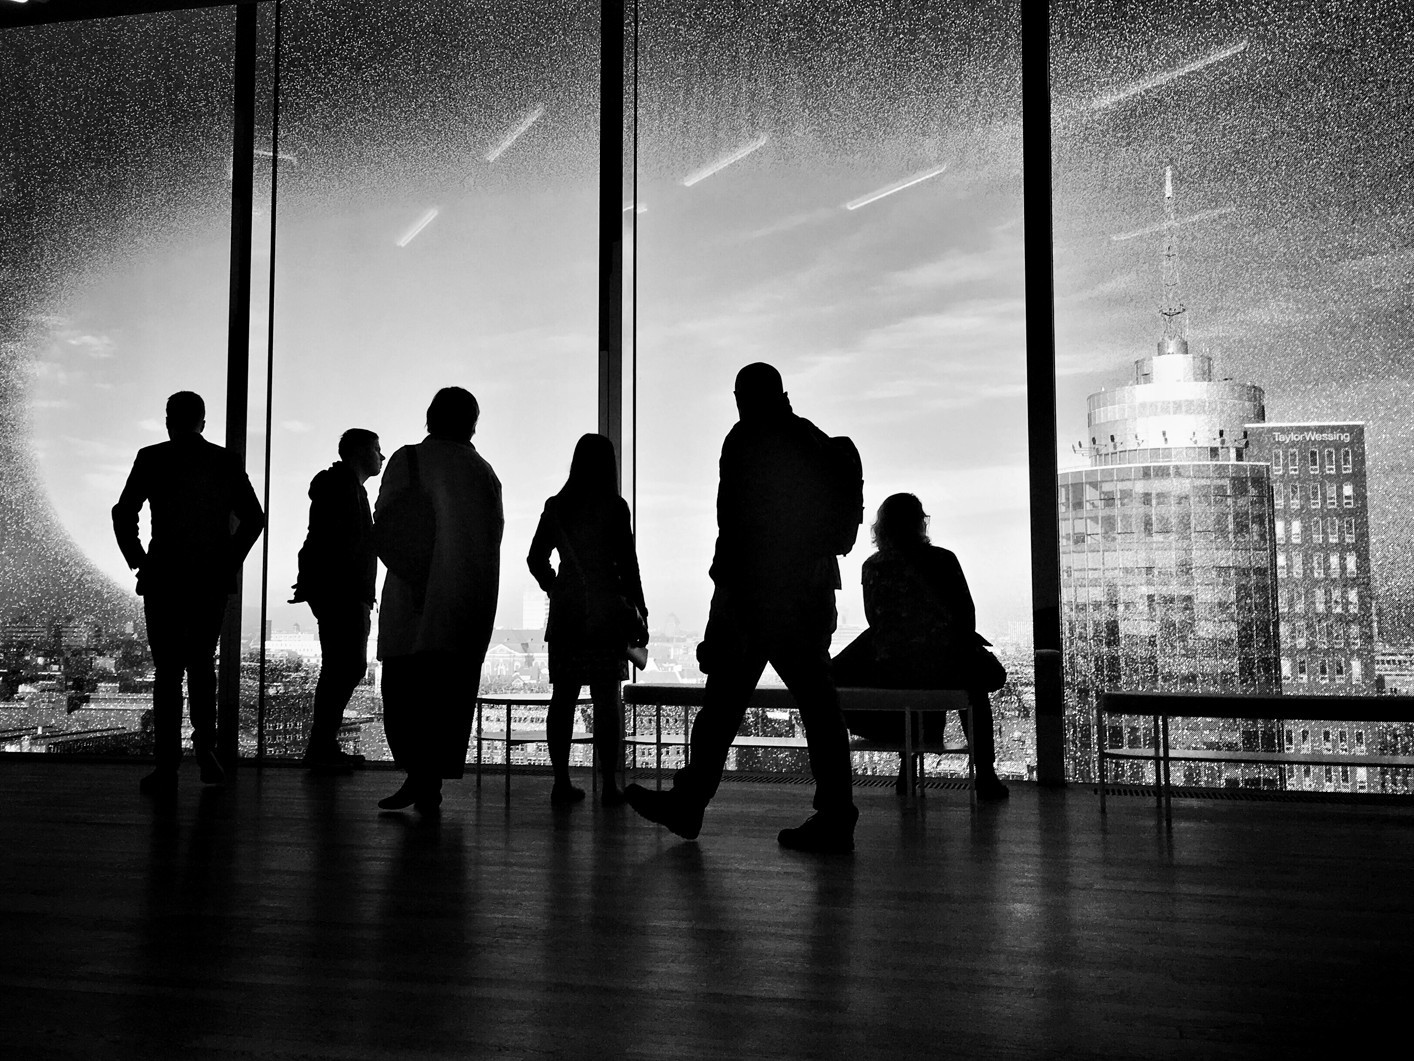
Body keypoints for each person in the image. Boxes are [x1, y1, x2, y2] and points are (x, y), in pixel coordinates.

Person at [626, 363, 858, 853]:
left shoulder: (744, 441)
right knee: (819, 707)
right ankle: (836, 813)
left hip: (755, 600)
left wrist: (719, 615)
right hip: (809, 595)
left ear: (740, 397)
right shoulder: (816, 443)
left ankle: (689, 803)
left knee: (722, 707)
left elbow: (731, 535)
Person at [112, 391, 265, 795]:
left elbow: (124, 511)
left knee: (167, 671)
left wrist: (139, 558)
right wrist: (226, 561)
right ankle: (205, 749)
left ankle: (166, 766)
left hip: (163, 576)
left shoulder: (151, 457)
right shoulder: (225, 461)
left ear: (168, 419)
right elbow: (254, 518)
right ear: (203, 421)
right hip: (209, 580)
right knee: (201, 664)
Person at [374, 387, 503, 813]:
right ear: (472, 423)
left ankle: (418, 777)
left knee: (406, 695)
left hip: (411, 595)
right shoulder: (483, 472)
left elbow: (385, 522)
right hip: (465, 605)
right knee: (446, 700)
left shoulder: (407, 460)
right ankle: (429, 781)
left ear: (431, 417)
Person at [832, 493, 1010, 801]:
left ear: (881, 527)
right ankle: (985, 775)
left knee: (897, 689)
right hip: (941, 664)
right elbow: (965, 615)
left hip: (889, 666)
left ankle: (907, 767)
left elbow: (874, 618)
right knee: (976, 689)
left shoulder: (871, 567)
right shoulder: (943, 559)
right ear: (920, 523)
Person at [527, 433, 647, 807]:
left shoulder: (556, 506)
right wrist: (639, 610)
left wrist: (558, 588)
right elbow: (628, 564)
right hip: (607, 613)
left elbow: (535, 559)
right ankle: (609, 784)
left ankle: (561, 781)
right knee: (607, 699)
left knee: (563, 697)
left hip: (567, 616)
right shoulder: (614, 507)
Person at [290, 428, 385, 771]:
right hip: (344, 591)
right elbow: (348, 544)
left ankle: (321, 745)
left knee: (339, 667)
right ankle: (321, 746)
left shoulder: (341, 487)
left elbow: (322, 540)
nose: (382, 456)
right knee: (345, 667)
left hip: (337, 590)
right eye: (377, 449)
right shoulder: (347, 490)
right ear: (360, 453)